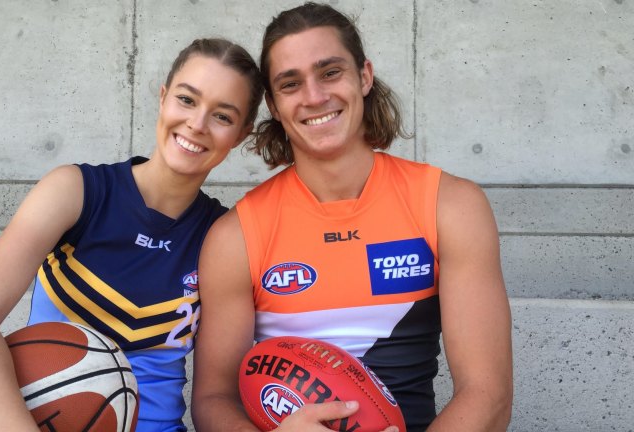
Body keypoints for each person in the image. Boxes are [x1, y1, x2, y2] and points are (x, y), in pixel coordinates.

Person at [191, 3, 513, 431]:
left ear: (364, 76)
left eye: (330, 72)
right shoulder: (236, 236)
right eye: (291, 83)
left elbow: (488, 395)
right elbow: (213, 400)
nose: (314, 97)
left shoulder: (449, 205)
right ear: (274, 103)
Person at [0, 37, 263, 432]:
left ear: (241, 134)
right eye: (187, 100)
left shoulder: (223, 236)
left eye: (222, 116)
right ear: (163, 98)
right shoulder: (75, 191)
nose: (197, 123)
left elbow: (217, 399)